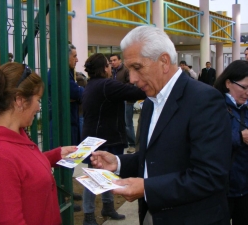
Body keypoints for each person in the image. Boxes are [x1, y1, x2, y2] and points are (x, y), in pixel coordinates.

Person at [90, 26, 232, 225]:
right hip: (152, 216)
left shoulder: (204, 100)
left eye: (137, 68)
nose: (132, 79)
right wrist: (119, 163)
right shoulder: (151, 101)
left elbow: (210, 175)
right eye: (129, 70)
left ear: (164, 61)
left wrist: (147, 188)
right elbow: (156, 156)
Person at [0, 62, 77, 225]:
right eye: (38, 100)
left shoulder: (15, 133)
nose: (39, 107)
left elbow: (22, 169)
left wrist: (55, 156)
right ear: (19, 100)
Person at [82, 53, 146, 225]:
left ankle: (107, 207)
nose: (111, 67)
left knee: (105, 174)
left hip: (97, 137)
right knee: (95, 176)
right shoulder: (106, 85)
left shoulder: (93, 84)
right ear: (104, 68)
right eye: (108, 65)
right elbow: (135, 92)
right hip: (105, 138)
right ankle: (88, 215)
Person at [48, 43, 84, 211]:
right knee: (63, 160)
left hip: (69, 121)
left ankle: (66, 190)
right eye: (74, 56)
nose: (77, 59)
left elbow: (75, 93)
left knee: (70, 159)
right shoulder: (59, 73)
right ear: (65, 57)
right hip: (61, 123)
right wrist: (78, 92)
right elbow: (76, 93)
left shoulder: (67, 73)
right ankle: (60, 197)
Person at [214, 60, 248, 225]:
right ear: (228, 83)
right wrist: (240, 137)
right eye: (244, 87)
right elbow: (210, 139)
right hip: (222, 187)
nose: (247, 92)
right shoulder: (213, 105)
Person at [110, 53, 137, 154]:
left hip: (126, 100)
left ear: (119, 60)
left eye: (114, 60)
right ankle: (123, 141)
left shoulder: (125, 70)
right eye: (111, 61)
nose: (113, 62)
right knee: (119, 122)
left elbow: (130, 83)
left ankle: (132, 144)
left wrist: (119, 89)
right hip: (116, 101)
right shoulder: (112, 72)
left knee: (127, 123)